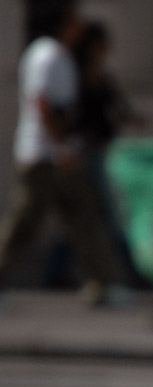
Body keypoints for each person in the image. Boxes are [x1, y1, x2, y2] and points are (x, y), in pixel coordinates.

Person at [0, 0, 122, 306]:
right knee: (24, 225)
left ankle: (102, 284)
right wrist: (59, 147)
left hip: (60, 154)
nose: (80, 27)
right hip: (44, 157)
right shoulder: (47, 55)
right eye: (74, 21)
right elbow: (42, 103)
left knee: (83, 218)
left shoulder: (60, 55)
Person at [43, 19, 151, 292]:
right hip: (82, 154)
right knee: (100, 216)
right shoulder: (76, 75)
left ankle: (58, 271)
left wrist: (134, 119)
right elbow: (64, 111)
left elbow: (118, 105)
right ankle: (131, 274)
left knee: (80, 217)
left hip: (96, 152)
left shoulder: (101, 76)